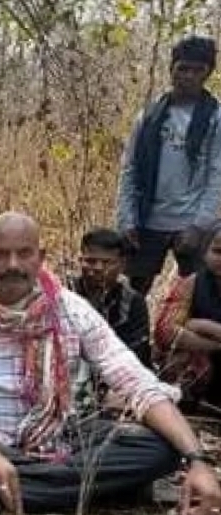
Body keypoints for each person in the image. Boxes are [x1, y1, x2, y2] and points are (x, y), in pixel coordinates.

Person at [0, 212, 221, 515]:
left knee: (163, 447)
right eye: (1, 254)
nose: (13, 265)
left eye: (24, 253)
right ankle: (79, 488)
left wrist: (197, 460)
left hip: (59, 437)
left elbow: (135, 381)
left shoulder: (69, 308)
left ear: (40, 256)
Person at [116, 35, 221, 297]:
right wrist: (127, 219)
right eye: (183, 68)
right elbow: (130, 168)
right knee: (132, 293)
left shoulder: (215, 118)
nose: (189, 76)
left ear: (208, 73)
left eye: (197, 70)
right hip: (147, 219)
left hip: (192, 222)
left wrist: (199, 225)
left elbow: (217, 175)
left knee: (202, 294)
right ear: (171, 68)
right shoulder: (150, 115)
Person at [154, 220, 221, 414]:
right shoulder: (191, 283)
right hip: (206, 362)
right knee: (179, 357)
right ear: (204, 252)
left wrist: (199, 326)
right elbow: (165, 332)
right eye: (218, 252)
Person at [68, 228, 152, 367]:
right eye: (91, 261)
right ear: (81, 260)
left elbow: (137, 351)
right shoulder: (66, 293)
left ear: (122, 264)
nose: (98, 268)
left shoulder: (133, 302)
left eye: (107, 262)